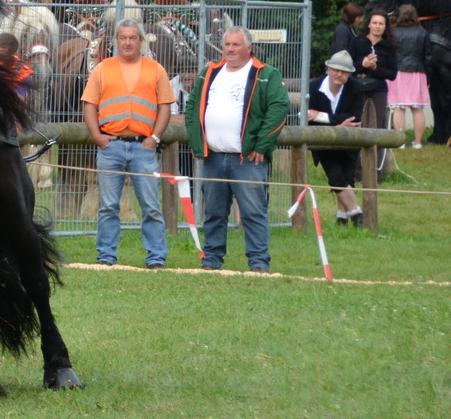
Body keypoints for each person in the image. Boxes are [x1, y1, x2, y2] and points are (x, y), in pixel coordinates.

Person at [184, 27, 289, 272]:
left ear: (249, 48)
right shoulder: (210, 73)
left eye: (236, 45)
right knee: (214, 212)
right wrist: (197, 141)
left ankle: (258, 262)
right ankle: (211, 260)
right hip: (213, 158)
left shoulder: (266, 74)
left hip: (248, 159)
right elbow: (192, 108)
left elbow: (278, 108)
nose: (230, 49)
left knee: (253, 212)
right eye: (227, 44)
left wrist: (262, 144)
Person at [81, 18, 173, 267]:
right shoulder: (102, 68)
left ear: (141, 41)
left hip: (144, 147)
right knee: (108, 206)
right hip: (111, 147)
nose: (128, 42)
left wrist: (154, 138)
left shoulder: (156, 69)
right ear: (116, 41)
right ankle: (106, 256)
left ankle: (156, 257)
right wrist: (97, 137)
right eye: (123, 37)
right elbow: (89, 105)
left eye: (133, 38)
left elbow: (165, 107)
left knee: (151, 206)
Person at [307, 51, 366, 225]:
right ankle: (357, 213)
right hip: (322, 142)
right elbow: (308, 117)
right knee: (336, 178)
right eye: (335, 70)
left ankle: (342, 216)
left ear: (350, 74)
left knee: (348, 178)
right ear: (328, 69)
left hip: (349, 141)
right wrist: (338, 125)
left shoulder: (356, 88)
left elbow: (355, 119)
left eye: (344, 72)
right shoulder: (313, 87)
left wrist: (322, 117)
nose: (339, 75)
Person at [389, 4, 429, 148]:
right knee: (417, 108)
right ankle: (418, 142)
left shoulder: (393, 32)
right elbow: (427, 56)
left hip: (397, 72)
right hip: (418, 72)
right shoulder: (422, 33)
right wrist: (428, 76)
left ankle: (400, 142)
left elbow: (390, 54)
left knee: (399, 108)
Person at [353, 9, 398, 133]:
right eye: (374, 23)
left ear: (385, 27)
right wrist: (363, 64)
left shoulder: (389, 46)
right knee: (357, 123)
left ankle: (375, 151)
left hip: (378, 89)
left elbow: (392, 74)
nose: (377, 26)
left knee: (376, 125)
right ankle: (357, 152)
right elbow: (348, 66)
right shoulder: (357, 41)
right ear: (369, 24)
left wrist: (375, 69)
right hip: (358, 86)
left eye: (381, 24)